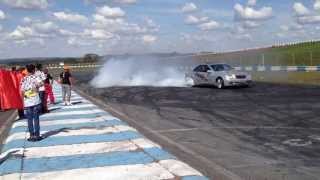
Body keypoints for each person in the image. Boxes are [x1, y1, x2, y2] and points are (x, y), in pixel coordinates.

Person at [20, 64, 43, 142]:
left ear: (27, 70)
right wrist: (36, 86)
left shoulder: (23, 79)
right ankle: (37, 135)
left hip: (27, 101)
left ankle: (31, 135)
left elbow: (22, 91)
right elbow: (41, 83)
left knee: (29, 119)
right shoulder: (36, 77)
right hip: (35, 100)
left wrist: (23, 101)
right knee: (36, 118)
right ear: (33, 70)